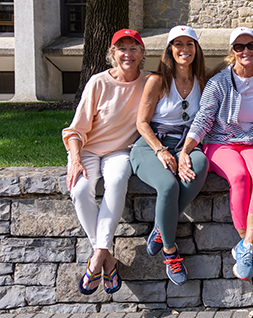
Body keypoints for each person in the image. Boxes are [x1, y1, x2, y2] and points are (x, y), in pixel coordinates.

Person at [180, 27, 253, 281]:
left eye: (251, 45)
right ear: (231, 52)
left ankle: (246, 246)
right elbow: (204, 118)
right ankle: (249, 246)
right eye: (239, 47)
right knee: (240, 176)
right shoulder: (219, 82)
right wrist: (186, 149)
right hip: (220, 142)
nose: (246, 51)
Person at [63, 29, 149, 295]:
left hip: (120, 151)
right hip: (87, 149)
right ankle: (106, 257)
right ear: (113, 54)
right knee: (79, 189)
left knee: (117, 180)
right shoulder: (98, 82)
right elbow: (76, 129)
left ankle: (97, 257)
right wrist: (76, 158)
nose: (128, 54)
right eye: (122, 48)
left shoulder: (149, 82)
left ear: (142, 54)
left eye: (134, 48)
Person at [130, 25, 210, 285]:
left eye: (190, 44)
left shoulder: (202, 80)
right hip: (152, 145)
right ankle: (170, 251)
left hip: (185, 144)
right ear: (170, 49)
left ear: (197, 49)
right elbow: (141, 123)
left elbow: (232, 64)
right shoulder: (157, 80)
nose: (184, 49)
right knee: (167, 185)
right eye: (178, 44)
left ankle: (160, 227)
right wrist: (161, 151)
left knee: (200, 163)